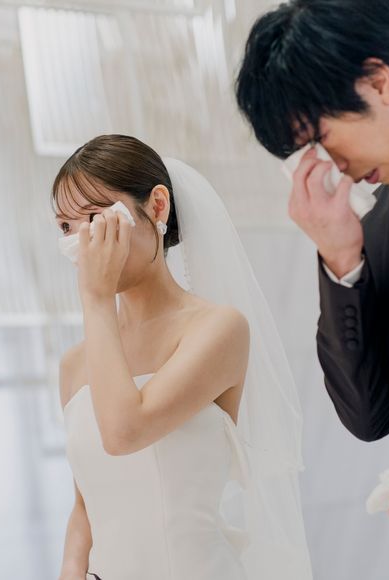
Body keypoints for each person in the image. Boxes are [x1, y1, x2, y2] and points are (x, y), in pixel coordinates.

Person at [53, 134, 311, 580]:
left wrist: (95, 299)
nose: (83, 242)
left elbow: (124, 432)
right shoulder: (74, 365)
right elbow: (84, 509)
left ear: (157, 206)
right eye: (65, 228)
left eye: (96, 218)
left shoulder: (219, 329)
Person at [235, 1, 389, 578]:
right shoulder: (377, 229)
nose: (335, 168)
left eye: (323, 139)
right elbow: (368, 416)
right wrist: (341, 257)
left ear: (377, 81)